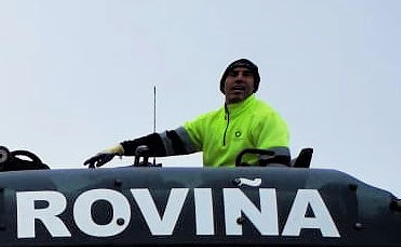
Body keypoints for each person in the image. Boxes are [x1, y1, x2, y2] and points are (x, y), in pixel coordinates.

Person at [84, 59, 290, 168]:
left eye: (247, 75)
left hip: (250, 205)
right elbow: (167, 141)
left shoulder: (266, 117)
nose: (239, 79)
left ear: (255, 85)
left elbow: (278, 174)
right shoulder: (209, 122)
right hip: (217, 200)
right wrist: (119, 149)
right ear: (223, 85)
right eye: (233, 74)